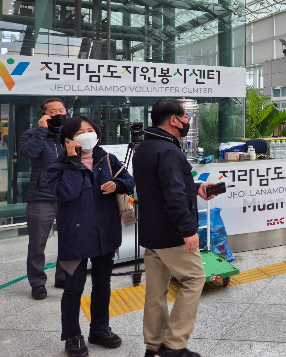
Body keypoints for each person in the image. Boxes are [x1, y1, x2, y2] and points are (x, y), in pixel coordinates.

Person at [133, 99, 219, 357]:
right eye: (185, 117)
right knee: (194, 279)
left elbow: (164, 185)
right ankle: (173, 344)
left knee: (155, 291)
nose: (187, 121)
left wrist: (196, 187)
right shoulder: (169, 151)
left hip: (152, 232)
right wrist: (188, 230)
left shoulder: (145, 148)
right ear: (174, 120)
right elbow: (173, 195)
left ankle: (154, 344)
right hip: (172, 233)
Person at [44, 116, 134, 357]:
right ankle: (72, 336)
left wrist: (118, 186)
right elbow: (68, 192)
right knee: (73, 289)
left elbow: (130, 181)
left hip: (106, 234)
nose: (87, 134)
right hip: (76, 236)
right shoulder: (57, 167)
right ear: (68, 139)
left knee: (103, 284)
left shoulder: (107, 160)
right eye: (80, 132)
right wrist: (74, 162)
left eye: (90, 130)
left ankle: (99, 329)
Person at [20, 97, 68, 300]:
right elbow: (29, 153)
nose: (58, 113)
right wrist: (41, 130)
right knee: (37, 244)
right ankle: (38, 283)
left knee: (68, 240)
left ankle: (63, 276)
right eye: (53, 111)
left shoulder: (70, 134)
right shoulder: (32, 134)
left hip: (67, 195)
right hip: (42, 197)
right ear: (44, 114)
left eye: (61, 109)